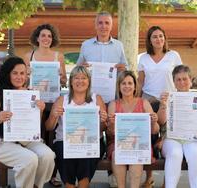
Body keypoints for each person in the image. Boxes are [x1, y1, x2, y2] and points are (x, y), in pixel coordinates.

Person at [0, 57, 55, 188]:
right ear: (8, 74)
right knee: (29, 159)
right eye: (15, 73)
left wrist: (40, 110)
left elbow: (35, 126)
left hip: (28, 140)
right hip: (5, 143)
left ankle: (35, 186)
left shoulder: (30, 94)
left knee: (48, 156)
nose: (19, 77)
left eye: (22, 73)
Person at [77, 11, 128, 187]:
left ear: (111, 25)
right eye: (100, 23)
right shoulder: (86, 45)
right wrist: (82, 67)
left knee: (112, 134)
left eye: (107, 23)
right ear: (95, 25)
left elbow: (125, 70)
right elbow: (78, 70)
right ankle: (85, 175)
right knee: (93, 133)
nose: (104, 26)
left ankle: (112, 174)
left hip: (112, 97)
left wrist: (122, 68)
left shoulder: (119, 46)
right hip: (91, 100)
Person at [45, 66, 108, 188]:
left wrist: (103, 121)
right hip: (65, 141)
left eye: (83, 78)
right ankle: (70, 186)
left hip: (91, 141)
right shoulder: (62, 100)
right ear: (71, 82)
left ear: (89, 81)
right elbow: (48, 127)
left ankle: (83, 185)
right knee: (64, 152)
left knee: (88, 153)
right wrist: (53, 115)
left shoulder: (96, 99)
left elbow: (103, 129)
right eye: (76, 78)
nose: (80, 81)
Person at [137, 25, 182, 187]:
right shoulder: (142, 57)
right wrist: (136, 101)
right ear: (149, 40)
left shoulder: (173, 55)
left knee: (166, 137)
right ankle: (149, 177)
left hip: (169, 100)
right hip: (148, 100)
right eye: (154, 36)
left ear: (165, 38)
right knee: (149, 137)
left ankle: (166, 181)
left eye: (161, 36)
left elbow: (180, 78)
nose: (158, 39)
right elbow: (140, 81)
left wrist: (180, 97)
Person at [24, 23, 67, 187]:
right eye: (43, 35)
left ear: (52, 38)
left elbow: (63, 82)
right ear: (37, 38)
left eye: (49, 36)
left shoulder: (59, 56)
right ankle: (35, 173)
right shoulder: (29, 55)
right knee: (36, 137)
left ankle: (52, 175)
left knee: (52, 138)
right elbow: (23, 81)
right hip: (34, 102)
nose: (46, 38)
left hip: (53, 101)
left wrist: (61, 77)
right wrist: (28, 75)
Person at [107, 71, 161, 188]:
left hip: (140, 144)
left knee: (137, 155)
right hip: (118, 143)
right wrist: (111, 124)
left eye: (130, 83)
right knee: (117, 155)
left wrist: (154, 121)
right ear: (119, 86)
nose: (127, 86)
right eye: (123, 83)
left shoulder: (144, 103)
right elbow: (110, 133)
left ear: (135, 86)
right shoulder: (113, 104)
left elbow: (155, 131)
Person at [162, 65, 197, 188]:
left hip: (192, 138)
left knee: (194, 154)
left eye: (185, 79)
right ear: (173, 82)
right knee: (175, 153)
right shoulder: (168, 98)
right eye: (178, 79)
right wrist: (163, 105)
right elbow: (161, 121)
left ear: (190, 81)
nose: (182, 82)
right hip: (171, 138)